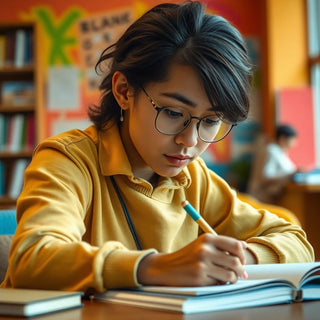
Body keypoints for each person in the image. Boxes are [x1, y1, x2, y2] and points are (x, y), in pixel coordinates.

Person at [1, 1, 314, 293]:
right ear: (124, 91)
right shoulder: (69, 160)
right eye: (173, 113)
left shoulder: (193, 178)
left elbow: (295, 240)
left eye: (210, 120)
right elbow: (33, 259)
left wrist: (237, 261)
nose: (189, 142)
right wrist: (154, 267)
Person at [248, 124, 298, 203]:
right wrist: (290, 174)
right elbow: (265, 176)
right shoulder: (271, 150)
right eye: (293, 139)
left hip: (273, 199)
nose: (295, 143)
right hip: (262, 199)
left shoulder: (281, 153)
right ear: (283, 139)